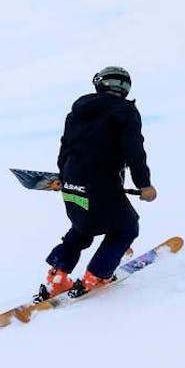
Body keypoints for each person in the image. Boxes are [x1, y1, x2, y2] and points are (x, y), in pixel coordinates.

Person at [37, 66, 157, 301]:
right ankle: (98, 275)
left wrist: (65, 177)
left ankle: (57, 278)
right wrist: (144, 184)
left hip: (72, 181)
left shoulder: (78, 111)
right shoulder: (125, 111)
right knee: (127, 228)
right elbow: (134, 151)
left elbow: (65, 147)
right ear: (125, 89)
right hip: (101, 182)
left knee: (83, 227)